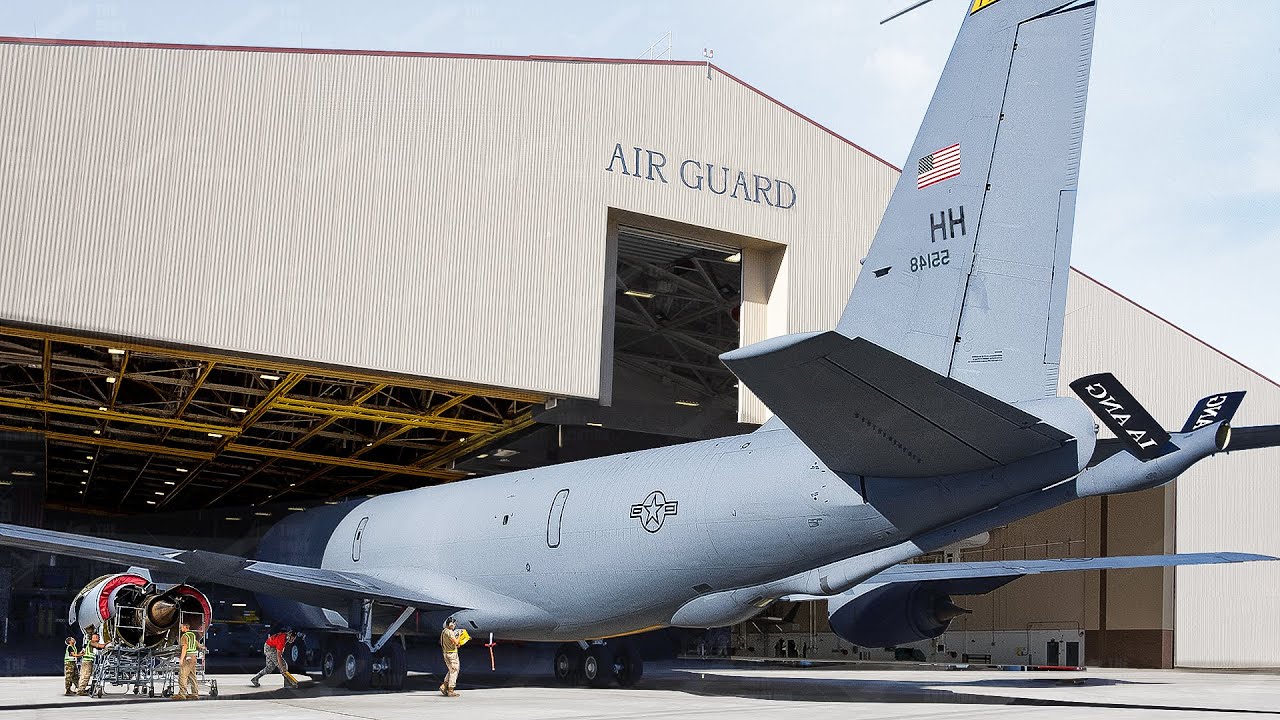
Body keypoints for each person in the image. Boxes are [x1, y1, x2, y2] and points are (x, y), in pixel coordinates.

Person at [174, 622, 205, 700]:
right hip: (193, 658)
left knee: (182, 676)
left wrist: (181, 659)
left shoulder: (184, 636)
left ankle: (182, 694)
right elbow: (197, 644)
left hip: (187, 657)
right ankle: (195, 694)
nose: (181, 628)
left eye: (182, 627)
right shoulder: (192, 635)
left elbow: (184, 648)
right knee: (192, 676)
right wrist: (202, 647)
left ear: (185, 627)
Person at [439, 617, 463, 697]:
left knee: (451, 669)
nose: (454, 625)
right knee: (454, 671)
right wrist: (459, 635)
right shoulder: (450, 632)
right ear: (451, 624)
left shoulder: (444, 631)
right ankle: (451, 690)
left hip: (445, 653)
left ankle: (444, 686)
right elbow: (456, 642)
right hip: (452, 654)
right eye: (454, 624)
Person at [77, 627, 105, 696]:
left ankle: (80, 689)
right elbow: (100, 646)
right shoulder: (91, 642)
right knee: (86, 675)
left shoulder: (87, 642)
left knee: (83, 675)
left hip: (85, 661)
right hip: (88, 662)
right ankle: (81, 691)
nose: (98, 639)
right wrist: (108, 643)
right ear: (92, 638)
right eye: (97, 637)